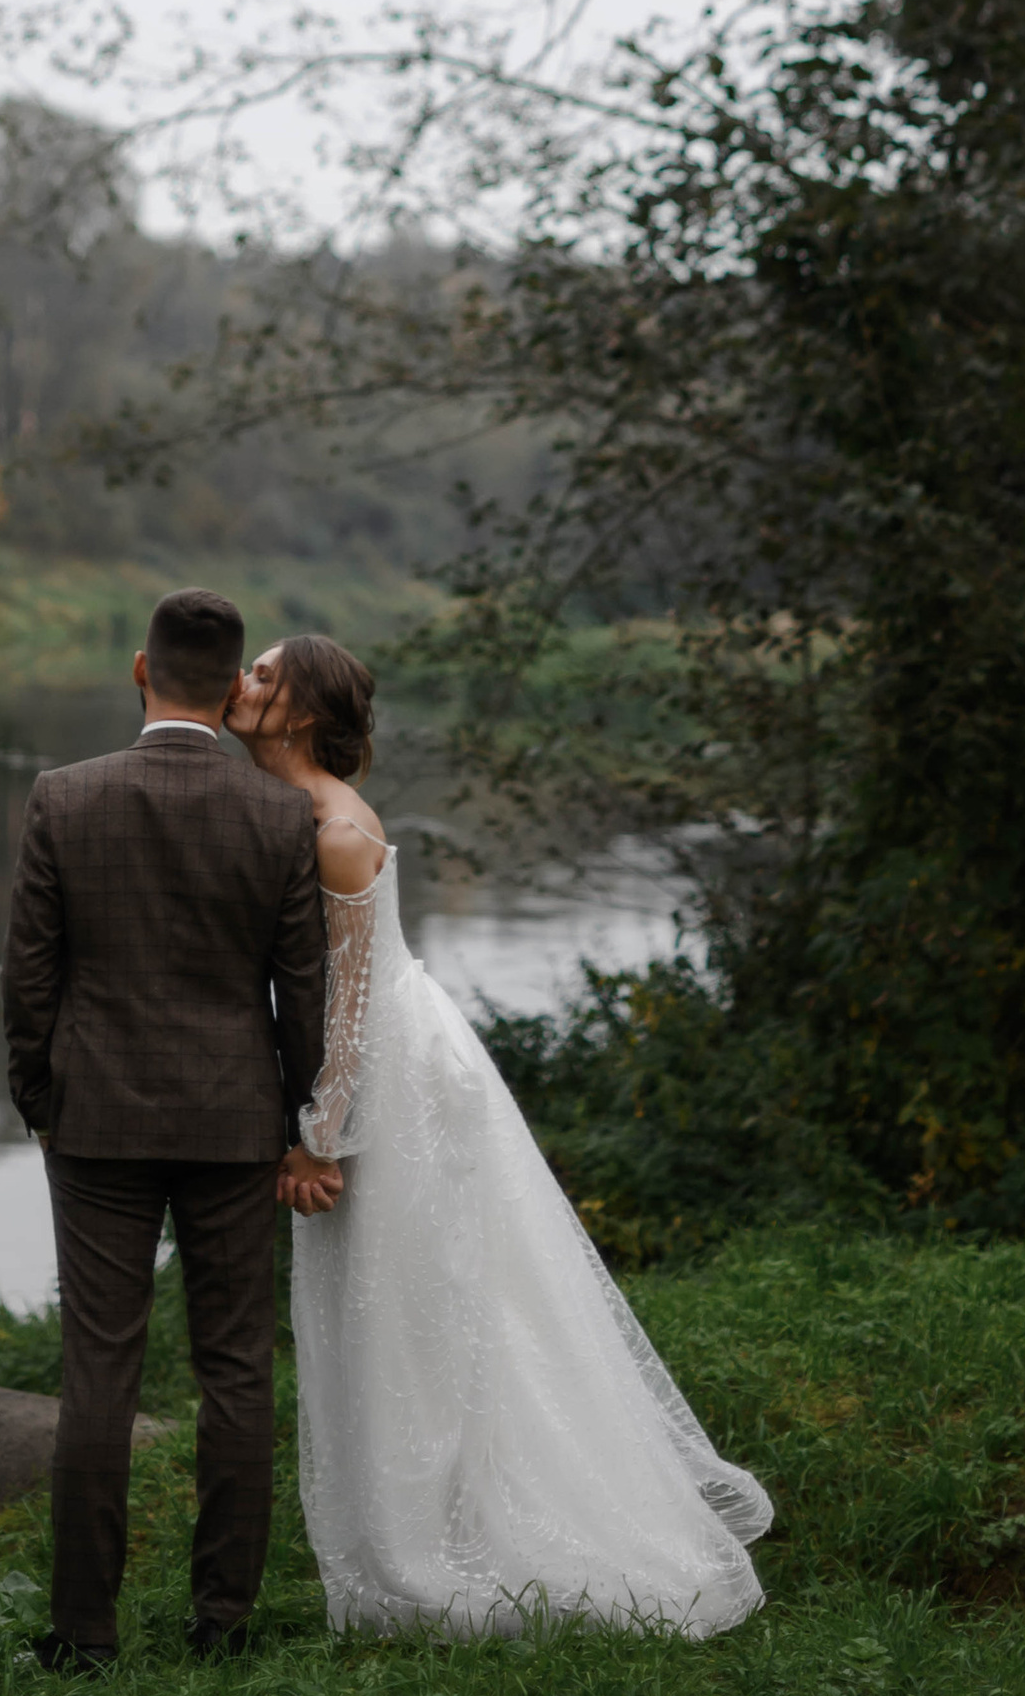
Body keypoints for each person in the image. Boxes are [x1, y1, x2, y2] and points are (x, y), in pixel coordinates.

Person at [229, 632, 772, 1638]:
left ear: (301, 712)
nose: (242, 681)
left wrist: (318, 1136)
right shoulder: (278, 809)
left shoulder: (335, 827)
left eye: (262, 673)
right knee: (393, 1302)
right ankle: (423, 1520)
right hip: (371, 1071)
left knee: (416, 1301)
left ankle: (455, 1542)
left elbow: (347, 1004)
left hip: (393, 1081)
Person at [1, 585, 330, 1672]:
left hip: (95, 1121)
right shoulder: (282, 819)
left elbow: (29, 981)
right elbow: (302, 996)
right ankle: (222, 1621)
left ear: (139, 671)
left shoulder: (62, 796)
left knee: (100, 1370)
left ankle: (84, 1634)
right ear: (234, 685)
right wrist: (297, 1121)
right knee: (235, 1367)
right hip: (235, 1120)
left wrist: (42, 1106)